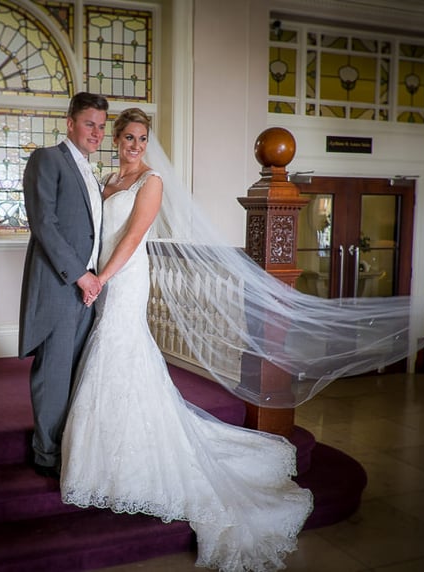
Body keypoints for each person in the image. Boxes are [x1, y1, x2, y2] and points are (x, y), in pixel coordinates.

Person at [60, 108, 314, 571]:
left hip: (125, 277)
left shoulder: (150, 181)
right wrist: (89, 274)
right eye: (128, 137)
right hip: (101, 276)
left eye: (142, 138)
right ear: (116, 139)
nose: (135, 145)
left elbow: (133, 236)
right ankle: (109, 449)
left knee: (119, 346)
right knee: (110, 350)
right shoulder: (108, 180)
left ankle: (129, 457)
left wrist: (101, 278)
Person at [18, 92, 109, 479]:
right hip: (61, 284)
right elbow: (44, 224)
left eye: (102, 126)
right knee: (53, 372)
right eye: (89, 124)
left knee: (76, 370)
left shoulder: (92, 172)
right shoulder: (47, 159)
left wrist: (95, 277)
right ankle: (46, 454)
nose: (97, 133)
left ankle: (69, 446)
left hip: (87, 288)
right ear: (70, 124)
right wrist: (80, 275)